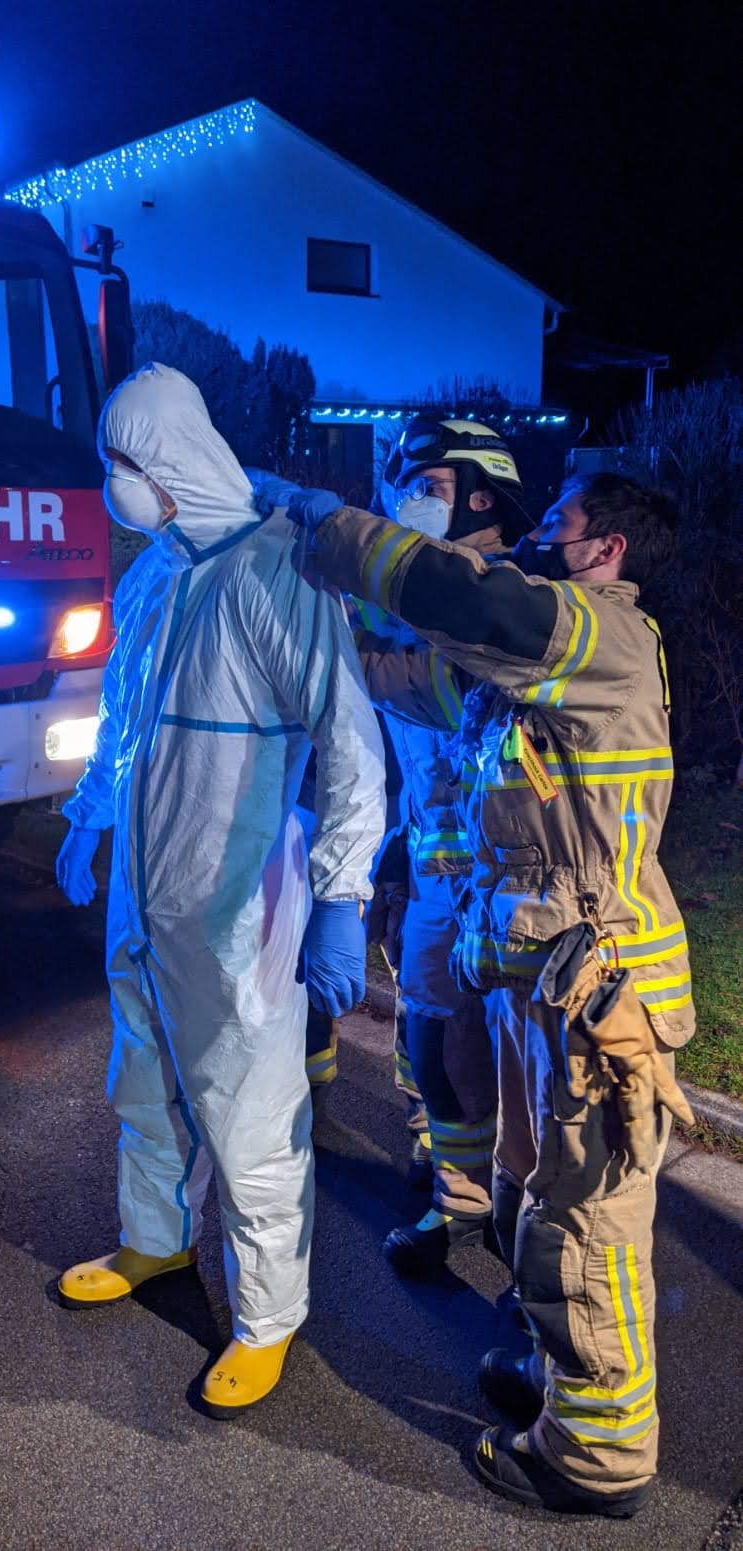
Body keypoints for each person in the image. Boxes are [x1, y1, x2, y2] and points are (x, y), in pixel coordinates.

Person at [253, 468, 694, 1516]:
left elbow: (462, 599)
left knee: (584, 1224)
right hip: (557, 991)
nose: (540, 534)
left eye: (561, 523)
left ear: (607, 551)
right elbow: (406, 671)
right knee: (546, 1202)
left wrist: (325, 522)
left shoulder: (600, 637)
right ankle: (561, 1381)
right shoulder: (535, 676)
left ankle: (594, 1458)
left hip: (600, 1003)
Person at [55, 364, 386, 1417]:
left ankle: (266, 1316)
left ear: (167, 464)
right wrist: (85, 819)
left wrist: (340, 898)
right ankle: (154, 1242)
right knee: (144, 1080)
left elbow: (348, 742)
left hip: (237, 891)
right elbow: (122, 717)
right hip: (146, 890)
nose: (115, 483)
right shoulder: (155, 572)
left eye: (123, 464)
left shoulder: (276, 572)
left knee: (246, 1109)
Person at [350, 419, 527, 1271]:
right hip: (436, 872)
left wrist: (323, 640)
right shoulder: (418, 593)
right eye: (403, 483)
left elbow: (424, 691)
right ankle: (460, 1197)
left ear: (482, 493)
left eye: (431, 484)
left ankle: (505, 1206)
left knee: (504, 1059)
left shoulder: (500, 593)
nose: (410, 498)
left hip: (512, 891)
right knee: (430, 1034)